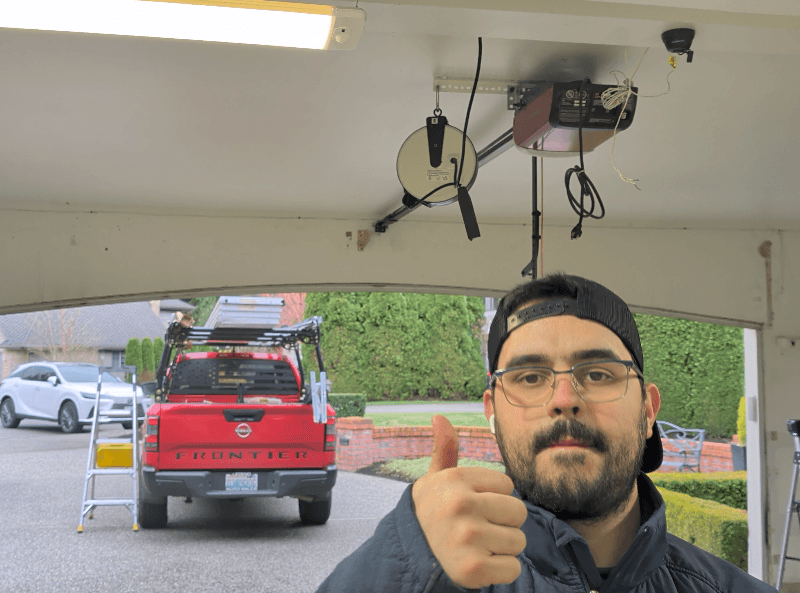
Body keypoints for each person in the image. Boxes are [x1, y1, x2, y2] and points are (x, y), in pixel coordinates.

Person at [314, 273, 777, 593]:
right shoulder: (429, 580)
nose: (564, 398)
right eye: (530, 377)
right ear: (492, 413)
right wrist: (407, 563)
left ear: (648, 409)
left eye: (598, 373)